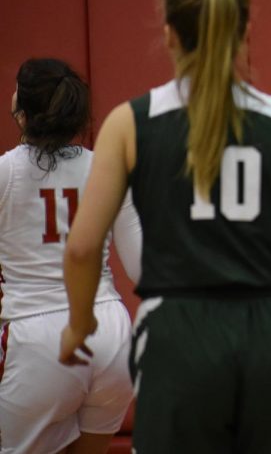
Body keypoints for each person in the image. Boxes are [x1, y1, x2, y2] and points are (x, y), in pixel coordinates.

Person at [59, 0, 271, 453]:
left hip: (176, 334)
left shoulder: (130, 123)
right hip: (265, 332)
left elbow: (81, 248)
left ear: (168, 36)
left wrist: (80, 324)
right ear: (243, 32)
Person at [0, 58, 141, 454]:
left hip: (39, 339)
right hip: (111, 332)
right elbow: (142, 267)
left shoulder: (6, 173)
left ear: (22, 111)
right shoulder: (107, 169)